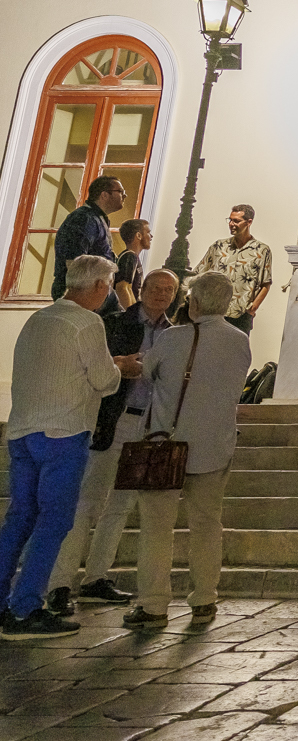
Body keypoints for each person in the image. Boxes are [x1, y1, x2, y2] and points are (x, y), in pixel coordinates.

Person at [0, 255, 138, 639]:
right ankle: (26, 609)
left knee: (19, 518)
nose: (108, 293)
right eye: (108, 286)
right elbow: (104, 381)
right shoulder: (88, 322)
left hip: (22, 430)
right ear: (99, 285)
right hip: (63, 433)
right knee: (55, 520)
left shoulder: (38, 318)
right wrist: (122, 367)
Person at [122, 272, 251, 630]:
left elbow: (148, 373)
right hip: (214, 447)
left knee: (156, 527)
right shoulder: (240, 340)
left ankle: (153, 605)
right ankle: (205, 599)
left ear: (192, 302)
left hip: (166, 445)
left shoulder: (172, 337)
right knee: (207, 525)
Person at [48, 268, 179, 617]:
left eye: (168, 290)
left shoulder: (174, 334)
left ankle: (96, 578)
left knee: (120, 506)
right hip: (112, 419)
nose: (161, 294)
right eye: (155, 287)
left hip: (148, 424)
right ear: (142, 289)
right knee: (87, 502)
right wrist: (122, 366)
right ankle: (60, 583)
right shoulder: (114, 324)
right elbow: (92, 368)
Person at [192, 203, 274, 334]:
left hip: (241, 316)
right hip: (213, 312)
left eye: (236, 221)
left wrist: (253, 308)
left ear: (249, 222)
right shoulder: (219, 246)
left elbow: (266, 283)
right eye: (230, 220)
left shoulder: (261, 250)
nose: (231, 224)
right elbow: (198, 275)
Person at [50, 176, 122, 302]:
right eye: (120, 192)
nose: (124, 196)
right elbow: (74, 262)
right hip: (83, 294)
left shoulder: (96, 218)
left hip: (94, 292)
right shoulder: (84, 218)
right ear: (104, 195)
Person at [113, 218, 149, 308]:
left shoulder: (132, 257)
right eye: (148, 232)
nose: (151, 236)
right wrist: (131, 313)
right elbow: (123, 288)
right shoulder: (129, 256)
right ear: (138, 235)